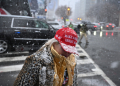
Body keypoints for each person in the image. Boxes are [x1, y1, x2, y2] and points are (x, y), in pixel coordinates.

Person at [13, 27, 78, 86]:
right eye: (65, 49)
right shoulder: (36, 60)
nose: (67, 54)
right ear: (54, 43)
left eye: (70, 50)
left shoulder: (72, 61)